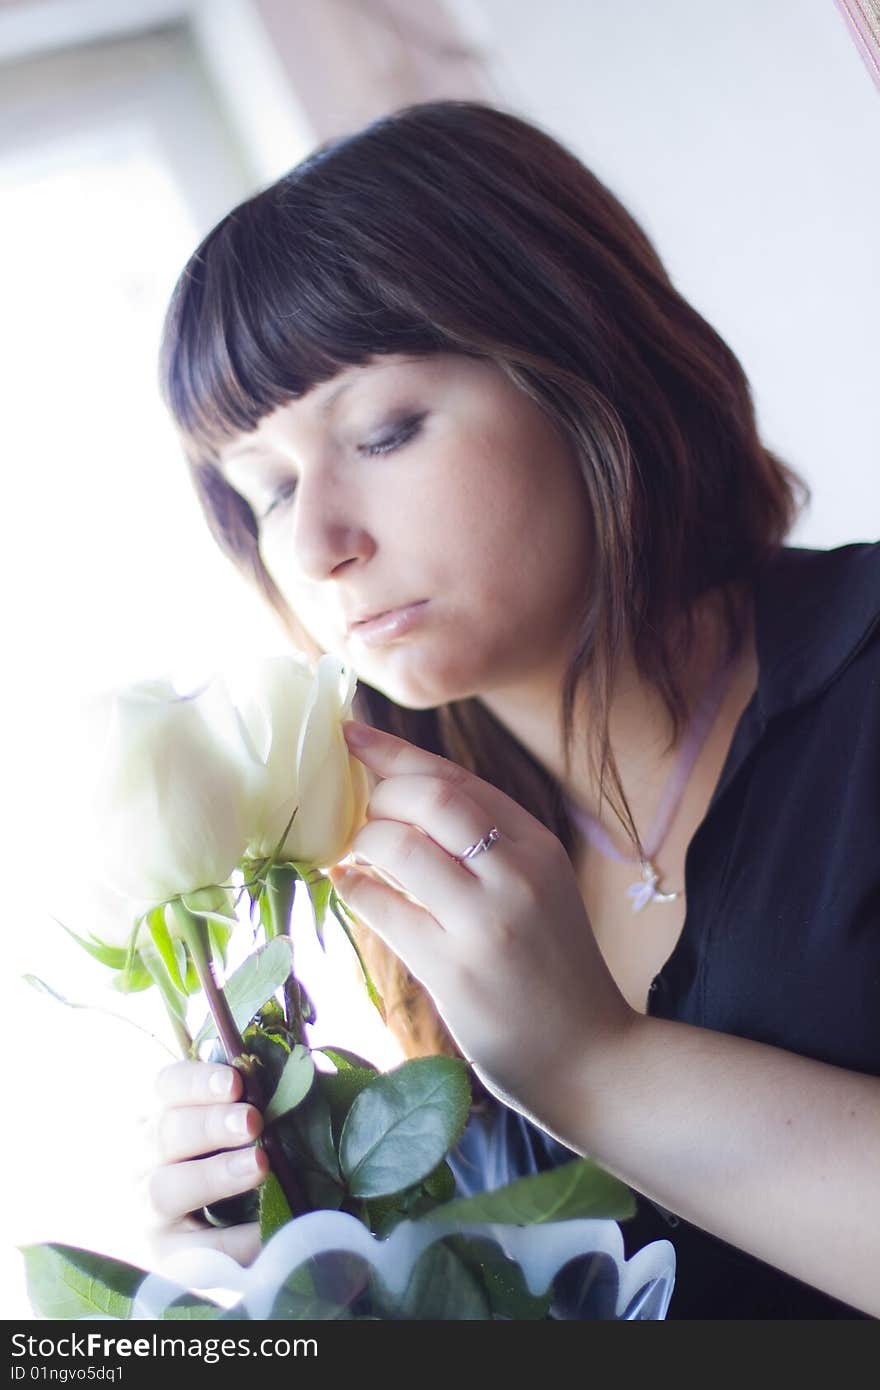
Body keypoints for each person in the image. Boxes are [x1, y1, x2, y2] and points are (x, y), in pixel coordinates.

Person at [142, 99, 880, 1318]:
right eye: (264, 492)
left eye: (383, 429)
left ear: (581, 362)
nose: (319, 543)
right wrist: (283, 1268)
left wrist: (599, 1065)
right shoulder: (399, 887)